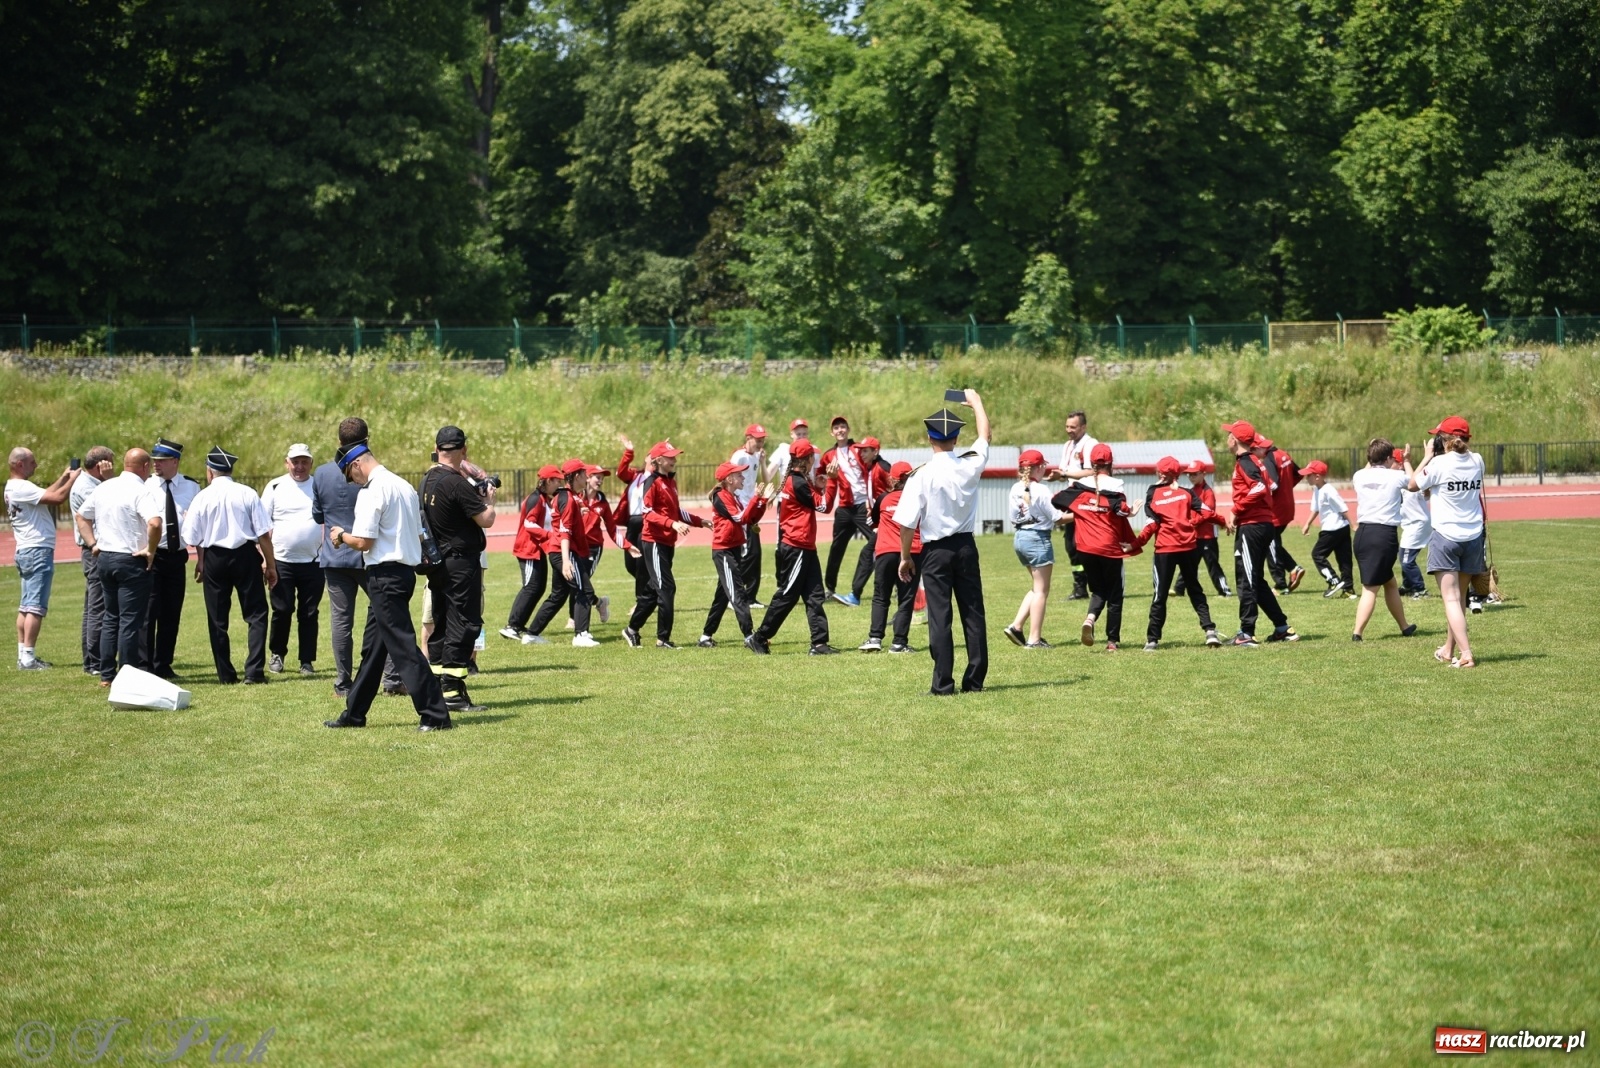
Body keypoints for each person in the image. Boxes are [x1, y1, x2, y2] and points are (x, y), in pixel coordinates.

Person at [324, 432, 453, 731]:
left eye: (349, 475)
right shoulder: (402, 485)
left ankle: (435, 715)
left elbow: (365, 542)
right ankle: (354, 713)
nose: (352, 481)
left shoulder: (373, 491)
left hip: (384, 576)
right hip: (402, 573)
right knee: (374, 650)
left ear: (356, 464)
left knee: (404, 648)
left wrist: (341, 536)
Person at [893, 391, 991, 694]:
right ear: (957, 439)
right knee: (973, 612)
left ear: (928, 437)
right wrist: (976, 404)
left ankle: (943, 683)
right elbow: (985, 435)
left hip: (935, 551)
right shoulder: (969, 464)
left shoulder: (921, 475)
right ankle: (974, 681)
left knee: (940, 618)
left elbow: (907, 523)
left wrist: (905, 557)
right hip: (965, 546)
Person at [181, 447, 279, 684]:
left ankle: (225, 674)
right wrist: (271, 565)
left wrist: (202, 561)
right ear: (230, 470)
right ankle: (254, 671)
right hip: (245, 555)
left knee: (217, 618)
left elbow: (192, 537)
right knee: (256, 614)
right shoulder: (247, 493)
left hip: (214, 557)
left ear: (210, 472)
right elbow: (264, 534)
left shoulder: (202, 497)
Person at [420, 426, 495, 711]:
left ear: (438, 449)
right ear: (463, 450)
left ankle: (441, 686)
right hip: (460, 562)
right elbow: (485, 519)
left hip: (438, 561)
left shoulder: (428, 479)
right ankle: (452, 690)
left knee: (441, 623)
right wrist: (488, 499)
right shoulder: (455, 482)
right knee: (464, 623)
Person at [74, 449, 163, 685]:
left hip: (105, 558)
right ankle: (127, 674)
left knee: (110, 617)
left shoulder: (104, 487)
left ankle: (106, 674)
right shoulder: (140, 490)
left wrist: (92, 544)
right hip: (131, 558)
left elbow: (81, 517)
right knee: (130, 621)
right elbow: (154, 523)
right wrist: (151, 550)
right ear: (144, 467)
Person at [1411, 416, 1486, 668]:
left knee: (1452, 599)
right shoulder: (1477, 460)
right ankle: (1448, 649)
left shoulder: (1439, 463)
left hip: (1446, 536)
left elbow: (1413, 484)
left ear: (1442, 440)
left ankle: (1466, 654)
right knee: (1459, 598)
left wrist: (1426, 456)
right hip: (1473, 537)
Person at [1051, 443, 1142, 651]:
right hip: (1109, 548)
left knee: (1098, 590)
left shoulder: (1078, 489)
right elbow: (1121, 510)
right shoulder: (1116, 489)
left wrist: (1082, 511)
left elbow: (1056, 501)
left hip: (1084, 548)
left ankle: (1090, 619)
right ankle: (1111, 642)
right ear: (1110, 463)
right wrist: (1131, 512)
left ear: (1091, 463)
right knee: (1115, 594)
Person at [749, 439, 834, 655]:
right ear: (807, 460)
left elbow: (809, 498)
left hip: (804, 545)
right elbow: (823, 506)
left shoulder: (796, 479)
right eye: (812, 456)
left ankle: (819, 643)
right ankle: (759, 637)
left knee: (815, 595)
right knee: (787, 594)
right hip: (797, 546)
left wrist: (819, 485)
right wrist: (833, 482)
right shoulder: (798, 483)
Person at [1219, 420, 1297, 647]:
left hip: (1252, 526)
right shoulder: (1255, 460)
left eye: (1228, 435)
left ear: (1235, 439)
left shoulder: (1245, 461)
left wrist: (1236, 509)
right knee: (1256, 579)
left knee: (1245, 578)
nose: (1226, 438)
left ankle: (1246, 633)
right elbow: (1270, 486)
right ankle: (1282, 628)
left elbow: (1260, 487)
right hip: (1263, 524)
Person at [623, 442, 708, 649]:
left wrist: (700, 521)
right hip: (653, 542)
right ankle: (663, 640)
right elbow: (648, 513)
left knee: (653, 591)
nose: (674, 460)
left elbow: (676, 511)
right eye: (670, 457)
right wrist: (672, 524)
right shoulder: (651, 482)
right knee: (666, 588)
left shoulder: (671, 482)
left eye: (674, 456)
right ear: (659, 460)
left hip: (667, 542)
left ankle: (631, 630)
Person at [1133, 455, 1222, 651]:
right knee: (1195, 590)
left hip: (1165, 550)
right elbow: (1207, 513)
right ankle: (1210, 631)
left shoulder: (1152, 493)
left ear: (1159, 473)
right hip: (1189, 547)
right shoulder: (1187, 493)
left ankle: (1152, 639)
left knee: (1160, 594)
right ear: (1177, 474)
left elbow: (1152, 522)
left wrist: (1136, 544)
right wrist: (1223, 521)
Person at [6, 447, 80, 669]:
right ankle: (28, 657)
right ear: (20, 464)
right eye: (31, 462)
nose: (36, 465)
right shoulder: (22, 486)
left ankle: (23, 654)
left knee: (25, 606)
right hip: (37, 549)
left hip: (26, 549)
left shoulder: (13, 487)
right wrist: (73, 481)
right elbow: (57, 498)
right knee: (36, 607)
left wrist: (63, 477)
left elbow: (45, 493)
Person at [312, 423, 371, 698]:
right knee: (386, 615)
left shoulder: (322, 473)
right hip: (366, 553)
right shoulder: (371, 473)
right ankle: (391, 678)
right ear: (367, 439)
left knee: (340, 622)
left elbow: (318, 516)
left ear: (338, 439)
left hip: (334, 555)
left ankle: (343, 683)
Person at [261, 443, 324, 676]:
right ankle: (277, 654)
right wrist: (265, 559)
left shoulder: (318, 485)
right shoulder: (275, 486)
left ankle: (306, 660)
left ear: (311, 463)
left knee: (309, 613)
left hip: (314, 561)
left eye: (304, 461)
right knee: (282, 610)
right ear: (287, 462)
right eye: (295, 461)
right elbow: (262, 524)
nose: (299, 466)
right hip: (281, 561)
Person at [524, 458, 601, 648]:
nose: (587, 476)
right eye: (584, 474)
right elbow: (565, 531)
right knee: (584, 589)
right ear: (576, 476)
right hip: (563, 552)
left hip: (558, 551)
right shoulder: (566, 497)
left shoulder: (568, 496)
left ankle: (532, 634)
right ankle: (581, 634)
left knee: (558, 595)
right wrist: (567, 560)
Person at [1349, 438, 1418, 642]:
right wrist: (1406, 461)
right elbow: (1415, 484)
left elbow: (1369, 467)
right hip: (1383, 535)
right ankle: (1357, 633)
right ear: (1389, 458)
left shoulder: (1359, 475)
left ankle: (1404, 626)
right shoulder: (1395, 476)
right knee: (1370, 587)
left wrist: (1373, 449)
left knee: (1389, 582)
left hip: (1363, 534)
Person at [699, 461, 771, 647]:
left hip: (733, 548)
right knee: (738, 592)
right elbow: (741, 518)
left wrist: (762, 501)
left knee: (723, 595)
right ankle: (749, 636)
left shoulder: (734, 497)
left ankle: (705, 637)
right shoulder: (721, 497)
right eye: (739, 475)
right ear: (729, 479)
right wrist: (756, 498)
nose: (743, 478)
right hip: (723, 551)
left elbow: (751, 518)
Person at [145, 437, 199, 679]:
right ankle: (144, 664)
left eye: (162, 460)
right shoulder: (145, 486)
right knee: (149, 612)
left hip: (177, 556)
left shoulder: (191, 487)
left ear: (175, 461)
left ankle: (163, 663)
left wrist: (202, 558)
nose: (156, 465)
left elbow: (199, 524)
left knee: (171, 613)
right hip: (152, 556)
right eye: (154, 460)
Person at [1002, 449, 1061, 649]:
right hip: (1037, 539)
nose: (1045, 468)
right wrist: (1082, 514)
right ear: (1037, 468)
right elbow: (1058, 518)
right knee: (1042, 591)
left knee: (1036, 587)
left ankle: (1016, 626)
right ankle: (1034, 639)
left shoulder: (1014, 488)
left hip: (1020, 537)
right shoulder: (1042, 490)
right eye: (1043, 465)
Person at [861, 461, 919, 654]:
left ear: (892, 478)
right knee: (906, 598)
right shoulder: (917, 498)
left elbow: (871, 521)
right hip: (912, 552)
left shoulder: (883, 498)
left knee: (880, 596)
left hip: (886, 552)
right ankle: (899, 643)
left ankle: (875, 638)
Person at [821, 417, 879, 606]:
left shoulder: (858, 449)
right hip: (845, 508)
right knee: (836, 548)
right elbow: (820, 474)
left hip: (863, 505)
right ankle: (829, 588)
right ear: (832, 432)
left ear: (848, 429)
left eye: (843, 426)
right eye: (836, 428)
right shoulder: (828, 455)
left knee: (879, 541)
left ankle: (894, 581)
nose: (840, 430)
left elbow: (873, 464)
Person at [70, 446, 115, 675]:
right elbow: (108, 510)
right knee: (98, 607)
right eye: (110, 463)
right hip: (95, 549)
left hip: (92, 549)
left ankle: (91, 660)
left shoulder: (89, 484)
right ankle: (95, 661)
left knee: (93, 607)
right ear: (102, 465)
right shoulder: (90, 487)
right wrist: (109, 481)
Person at [502, 464, 559, 642]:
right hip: (528, 549)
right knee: (531, 587)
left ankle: (518, 624)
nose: (559, 484)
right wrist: (549, 536)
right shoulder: (536, 499)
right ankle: (512, 626)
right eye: (556, 481)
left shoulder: (543, 498)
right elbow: (529, 524)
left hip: (538, 549)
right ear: (548, 481)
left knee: (539, 587)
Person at [1045, 410, 1099, 600]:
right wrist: (1056, 477)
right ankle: (1080, 587)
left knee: (1090, 545)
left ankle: (1098, 585)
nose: (1069, 430)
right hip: (1071, 499)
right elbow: (1065, 473)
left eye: (1073, 427)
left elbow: (1093, 472)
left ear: (1083, 427)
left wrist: (1065, 475)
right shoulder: (1068, 445)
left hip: (1086, 498)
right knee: (1071, 546)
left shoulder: (1091, 445)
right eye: (1067, 426)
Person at [1173, 460, 1232, 597]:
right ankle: (1179, 589)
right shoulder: (1191, 492)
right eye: (1189, 474)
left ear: (1203, 474)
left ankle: (1224, 590)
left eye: (1194, 474)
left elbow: (1208, 513)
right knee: (1189, 563)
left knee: (1212, 565)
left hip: (1208, 537)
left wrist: (1193, 522)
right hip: (1194, 536)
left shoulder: (1208, 492)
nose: (1191, 477)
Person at [1298, 460, 1354, 597]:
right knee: (1344, 560)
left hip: (1333, 529)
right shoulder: (1318, 489)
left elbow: (1342, 507)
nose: (1306, 478)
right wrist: (1307, 524)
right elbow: (1316, 508)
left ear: (1317, 476)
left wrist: (1354, 524)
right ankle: (1348, 589)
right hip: (1340, 528)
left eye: (1308, 475)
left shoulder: (1328, 490)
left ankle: (1333, 580)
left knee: (1317, 554)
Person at [1257, 435, 1306, 594]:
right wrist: (1287, 488)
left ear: (1261, 447)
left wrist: (1261, 495)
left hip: (1276, 511)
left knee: (1270, 545)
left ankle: (1281, 585)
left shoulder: (1270, 458)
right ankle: (1293, 568)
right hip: (1288, 506)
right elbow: (1299, 473)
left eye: (1254, 448)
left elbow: (1273, 483)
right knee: (1273, 543)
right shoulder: (1282, 454)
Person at [730, 424, 768, 606]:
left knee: (756, 553)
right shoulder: (739, 456)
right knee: (749, 554)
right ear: (748, 438)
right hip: (741, 510)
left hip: (751, 508)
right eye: (757, 438)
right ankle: (735, 594)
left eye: (762, 438)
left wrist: (762, 462)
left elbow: (766, 480)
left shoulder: (755, 457)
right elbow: (728, 479)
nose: (760, 441)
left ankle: (750, 596)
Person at [614, 436, 653, 615]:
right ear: (646, 458)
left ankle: (641, 601)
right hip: (632, 522)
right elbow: (621, 472)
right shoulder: (635, 476)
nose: (654, 459)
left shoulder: (658, 480)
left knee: (641, 563)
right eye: (651, 456)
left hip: (646, 521)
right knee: (630, 564)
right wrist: (628, 451)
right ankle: (651, 590)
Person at [576, 464, 614, 627]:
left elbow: (612, 528)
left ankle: (575, 620)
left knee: (582, 583)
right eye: (597, 477)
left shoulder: (603, 503)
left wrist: (626, 545)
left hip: (593, 547)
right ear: (588, 478)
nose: (600, 481)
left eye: (602, 478)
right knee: (575, 582)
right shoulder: (576, 497)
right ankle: (599, 603)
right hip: (575, 545)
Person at [1398, 448, 1432, 598]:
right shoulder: (1397, 477)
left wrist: (1407, 461)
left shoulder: (1403, 478)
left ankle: (1419, 588)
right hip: (1412, 523)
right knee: (1403, 556)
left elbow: (1413, 479)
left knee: (1406, 560)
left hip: (1417, 523)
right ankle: (1409, 584)